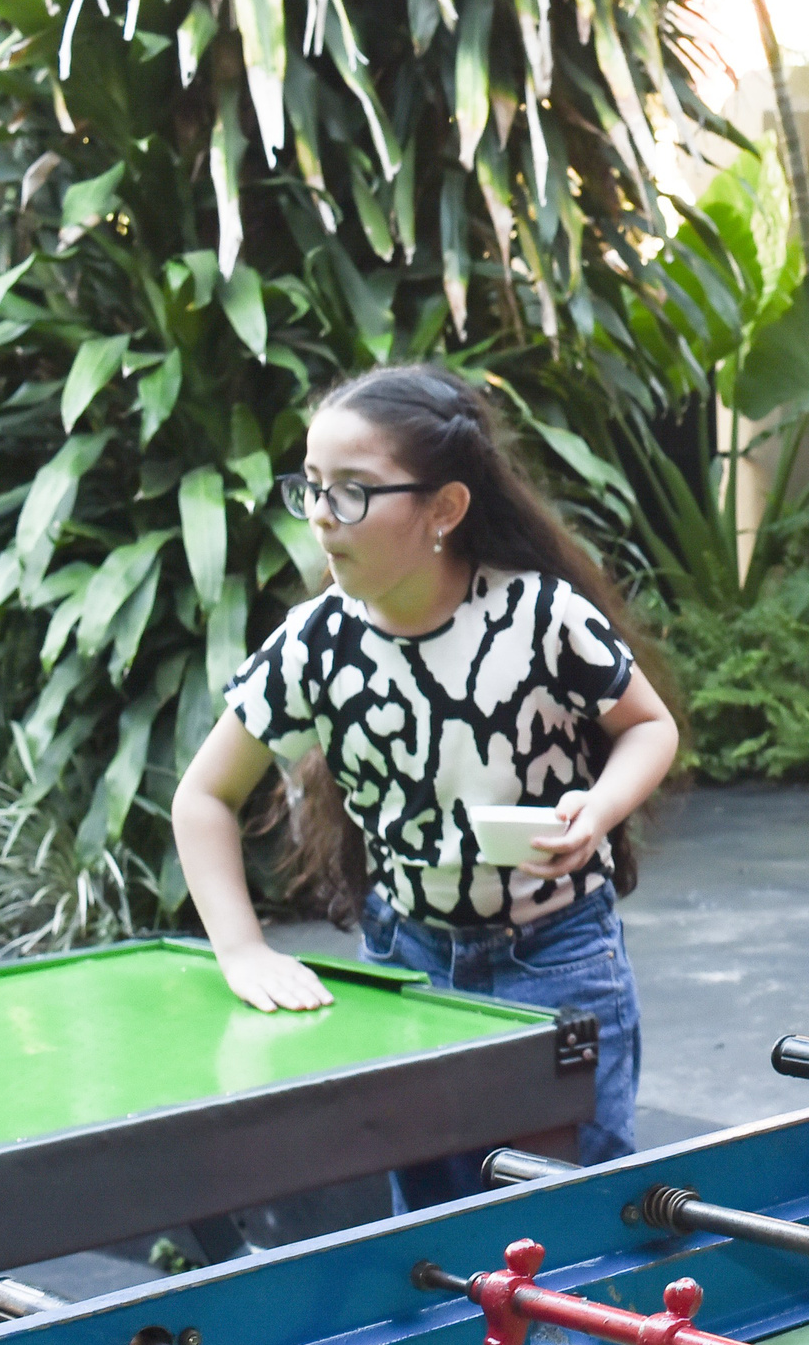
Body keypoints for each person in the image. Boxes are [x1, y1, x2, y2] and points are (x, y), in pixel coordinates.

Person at [173, 365, 680, 1209]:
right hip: (405, 962)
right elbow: (203, 797)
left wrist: (601, 806)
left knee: (574, 1217)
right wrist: (242, 948)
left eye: (356, 492)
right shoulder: (315, 643)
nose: (324, 517)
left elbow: (647, 725)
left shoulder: (542, 617)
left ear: (444, 509)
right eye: (314, 488)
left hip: (559, 956)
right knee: (436, 1230)